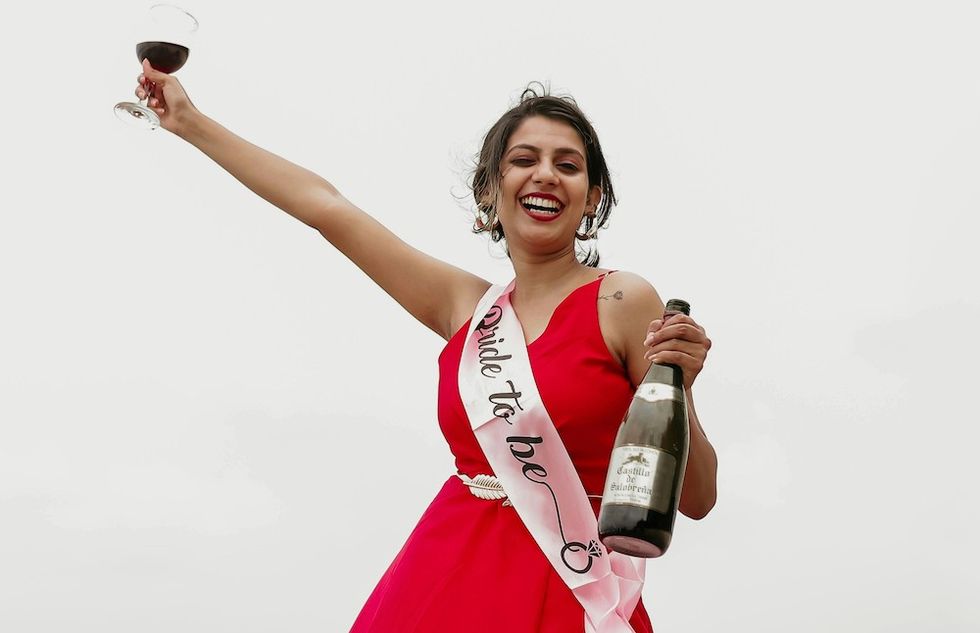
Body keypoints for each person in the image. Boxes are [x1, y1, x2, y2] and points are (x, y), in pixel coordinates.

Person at [136, 60, 717, 632]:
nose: (545, 175)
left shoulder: (623, 300)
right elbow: (327, 209)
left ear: (591, 198)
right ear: (492, 190)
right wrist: (188, 121)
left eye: (567, 166)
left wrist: (680, 389)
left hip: (569, 585)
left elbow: (696, 498)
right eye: (523, 160)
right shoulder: (466, 309)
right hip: (445, 575)